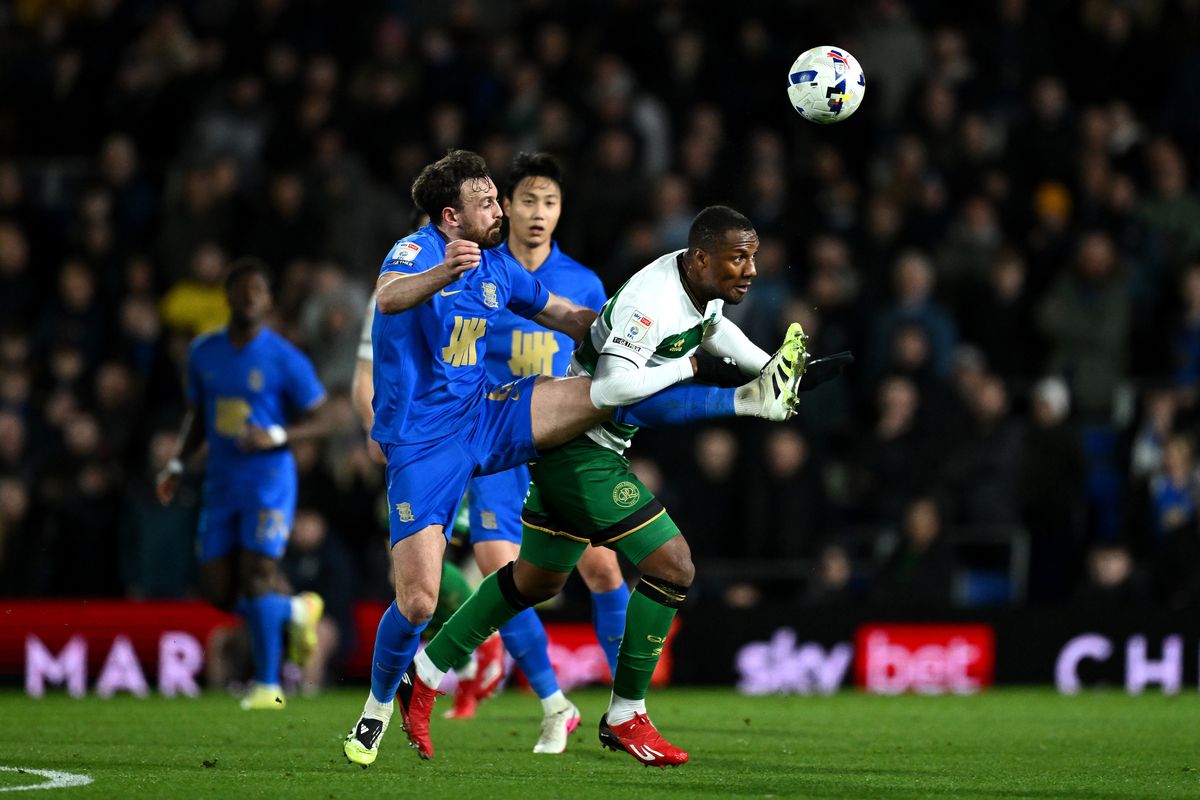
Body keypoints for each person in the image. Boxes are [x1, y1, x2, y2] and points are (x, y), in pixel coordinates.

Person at [343, 151, 808, 768]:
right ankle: (378, 708)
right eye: (489, 201)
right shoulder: (417, 252)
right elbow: (388, 298)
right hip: (423, 444)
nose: (503, 209)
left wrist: (622, 333)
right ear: (450, 216)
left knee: (598, 398)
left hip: (485, 412)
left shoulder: (498, 267)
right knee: (421, 601)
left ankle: (609, 709)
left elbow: (565, 315)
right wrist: (441, 273)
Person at [450, 152, 630, 750]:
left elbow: (606, 367)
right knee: (502, 574)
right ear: (506, 205)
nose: (538, 213)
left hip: (564, 445)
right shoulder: (483, 273)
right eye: (527, 200)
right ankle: (555, 703)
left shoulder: (583, 283)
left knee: (602, 566)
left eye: (549, 203)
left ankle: (628, 703)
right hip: (499, 444)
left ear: (559, 212)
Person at [157, 257, 332, 710]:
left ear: (269, 300)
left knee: (257, 575)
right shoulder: (204, 352)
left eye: (260, 290)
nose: (251, 297)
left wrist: (279, 434)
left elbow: (327, 417)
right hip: (221, 481)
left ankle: (268, 685)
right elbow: (199, 414)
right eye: (243, 289)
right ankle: (294, 610)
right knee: (218, 588)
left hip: (268, 480)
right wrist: (177, 464)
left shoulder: (283, 356)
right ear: (229, 296)